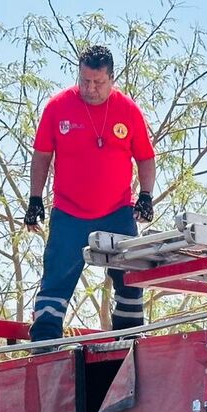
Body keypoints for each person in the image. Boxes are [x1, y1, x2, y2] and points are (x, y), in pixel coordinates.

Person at [25, 44, 156, 343]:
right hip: (69, 213)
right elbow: (42, 155)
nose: (90, 88)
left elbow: (146, 157)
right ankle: (44, 349)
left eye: (98, 82)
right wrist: (34, 199)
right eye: (84, 80)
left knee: (130, 282)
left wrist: (146, 195)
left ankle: (129, 346)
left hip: (117, 211)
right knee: (55, 281)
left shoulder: (128, 110)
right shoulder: (57, 107)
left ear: (111, 79)